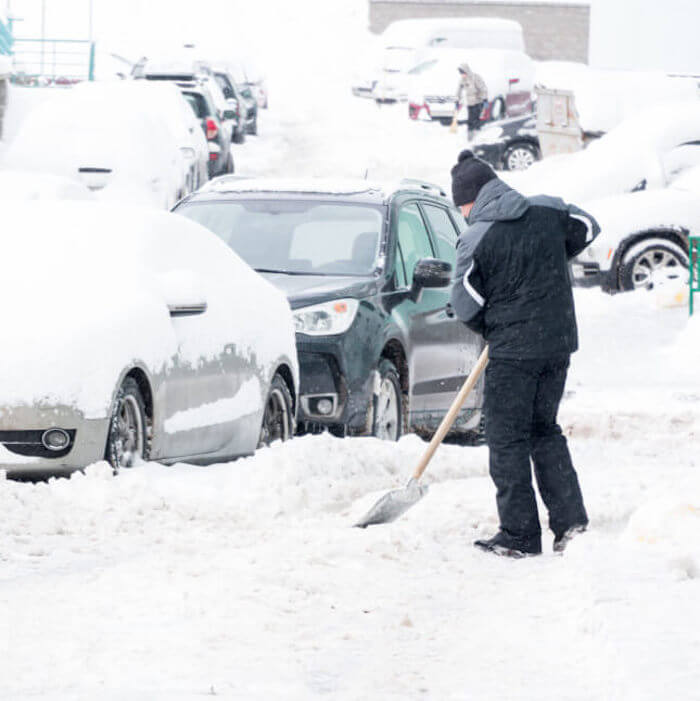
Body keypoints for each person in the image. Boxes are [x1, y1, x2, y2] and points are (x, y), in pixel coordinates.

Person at [449, 150, 600, 558]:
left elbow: (464, 303)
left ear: (473, 198)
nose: (463, 213)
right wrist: (547, 256)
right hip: (557, 344)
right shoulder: (547, 211)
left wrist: (494, 324)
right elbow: (588, 226)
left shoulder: (476, 236)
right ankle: (571, 524)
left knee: (507, 438)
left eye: (461, 204)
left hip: (514, 352)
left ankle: (519, 534)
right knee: (543, 429)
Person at [455, 63, 488, 139]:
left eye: (462, 72)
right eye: (460, 73)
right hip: (470, 103)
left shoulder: (475, 78)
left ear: (466, 71)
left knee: (474, 121)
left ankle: (475, 137)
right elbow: (458, 90)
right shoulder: (462, 80)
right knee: (471, 121)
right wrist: (457, 100)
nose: (461, 74)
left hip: (478, 102)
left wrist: (485, 99)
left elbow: (483, 89)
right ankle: (472, 137)